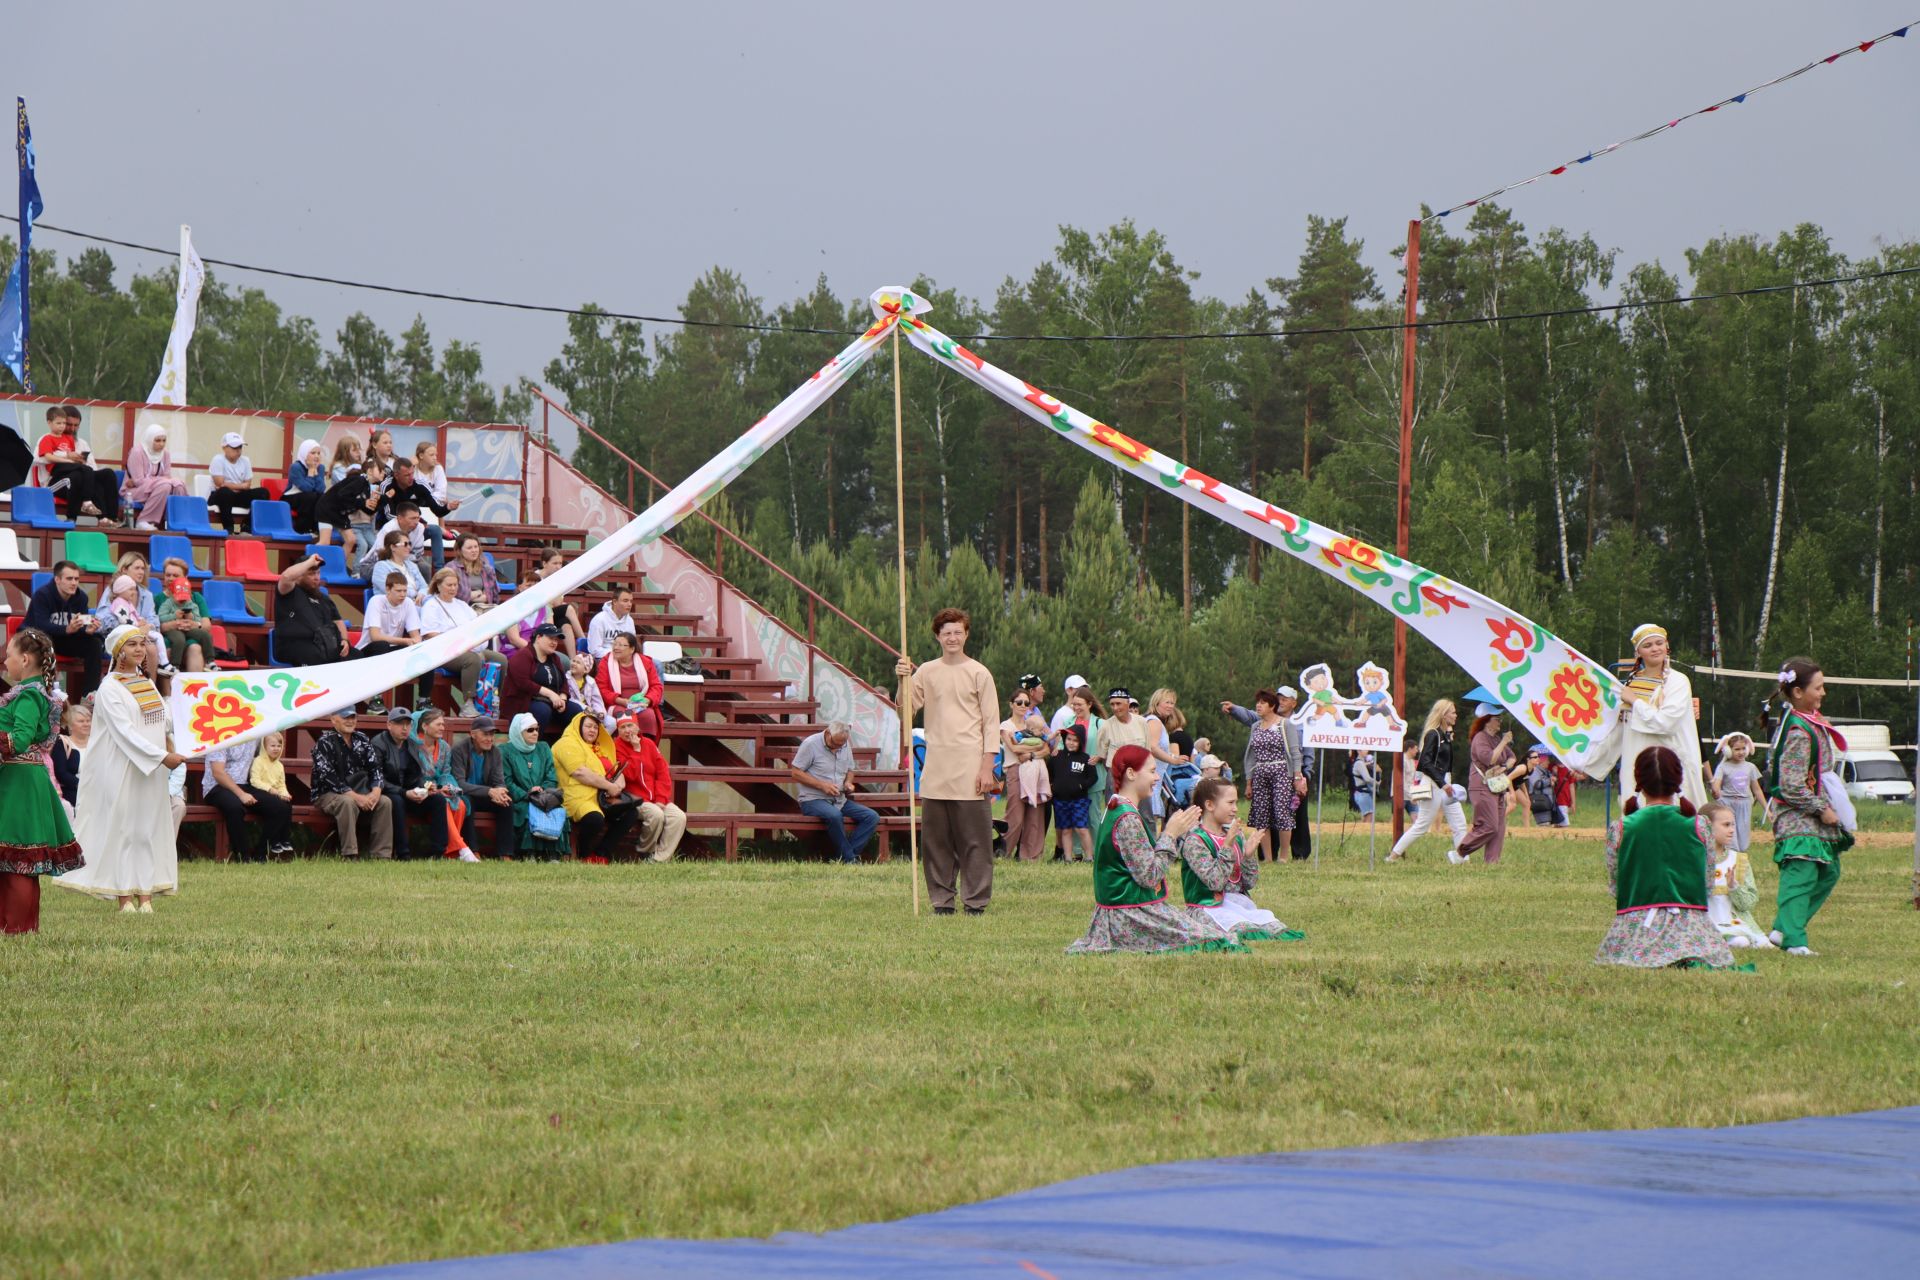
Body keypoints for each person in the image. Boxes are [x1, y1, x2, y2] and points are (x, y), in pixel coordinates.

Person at [54, 627, 187, 911]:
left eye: (143, 644)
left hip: (150, 769)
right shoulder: (110, 687)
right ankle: (124, 896)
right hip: (122, 768)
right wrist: (162, 756)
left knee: (146, 828)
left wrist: (178, 740)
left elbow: (160, 724)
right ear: (119, 651)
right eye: (133, 644)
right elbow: (124, 733)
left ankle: (146, 894)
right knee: (125, 829)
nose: (140, 649)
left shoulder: (147, 683)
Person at [1065, 745, 1244, 955]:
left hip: (1118, 911)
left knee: (1205, 931)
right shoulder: (1127, 818)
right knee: (1217, 938)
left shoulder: (1115, 807)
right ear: (1131, 773)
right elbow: (1149, 877)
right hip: (1130, 915)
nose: (1157, 777)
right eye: (1151, 771)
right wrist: (1170, 834)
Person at [893, 608, 998, 915]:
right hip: (936, 766)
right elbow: (906, 711)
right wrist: (903, 680)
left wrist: (986, 765)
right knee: (936, 842)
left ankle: (976, 901)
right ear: (937, 637)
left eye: (957, 632)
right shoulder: (926, 670)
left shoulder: (980, 673)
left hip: (970, 765)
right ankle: (941, 901)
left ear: (966, 635)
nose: (952, 637)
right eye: (946, 632)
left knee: (975, 841)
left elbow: (992, 723)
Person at [1595, 747, 1735, 970]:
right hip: (1692, 930)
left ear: (1639, 779)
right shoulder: (1699, 826)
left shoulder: (1621, 828)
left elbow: (1617, 884)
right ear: (1678, 780)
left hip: (1635, 930)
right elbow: (1706, 883)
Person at [1765, 657, 1853, 957]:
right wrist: (1820, 808)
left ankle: (1782, 928)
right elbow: (1789, 783)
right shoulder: (1798, 731)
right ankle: (1794, 940)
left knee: (1828, 871)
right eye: (1818, 687)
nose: (1823, 692)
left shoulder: (1809, 721)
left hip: (1813, 811)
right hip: (1797, 815)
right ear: (1799, 693)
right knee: (1801, 872)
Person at [0, 628, 84, 933]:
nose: (5, 661)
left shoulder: (28, 696)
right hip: (19, 779)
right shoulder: (32, 693)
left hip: (20, 782)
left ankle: (19, 928)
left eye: (8, 655)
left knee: (18, 860)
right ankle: (16, 926)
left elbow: (19, 739)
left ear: (23, 659)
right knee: (13, 860)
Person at [1585, 622, 1708, 810]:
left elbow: (1666, 723)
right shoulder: (1631, 684)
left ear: (1667, 646)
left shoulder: (1678, 681)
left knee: (1676, 818)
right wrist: (1587, 761)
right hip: (1637, 761)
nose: (1655, 649)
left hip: (1671, 762)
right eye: (1647, 645)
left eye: (1659, 643)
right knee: (1639, 816)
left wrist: (1635, 702)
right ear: (1638, 652)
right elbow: (1621, 730)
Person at [1176, 777, 1299, 941]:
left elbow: (1248, 883)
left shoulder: (1235, 835)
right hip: (1206, 907)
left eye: (1236, 803)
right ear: (1210, 805)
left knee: (1273, 927)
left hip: (1238, 904)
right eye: (1230, 803)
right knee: (1243, 929)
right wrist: (1226, 847)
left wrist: (1248, 856)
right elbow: (1216, 882)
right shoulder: (1195, 841)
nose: (1235, 809)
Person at [199, 699, 295, 863]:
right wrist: (241, 794)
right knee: (235, 807)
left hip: (244, 784)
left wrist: (273, 788)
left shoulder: (254, 734)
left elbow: (271, 742)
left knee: (280, 806)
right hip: (216, 787)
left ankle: (260, 854)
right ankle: (243, 857)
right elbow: (218, 773)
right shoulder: (220, 735)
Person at [551, 710, 638, 861]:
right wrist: (609, 786)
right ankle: (583, 855)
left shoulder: (599, 748)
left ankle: (601, 854)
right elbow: (579, 772)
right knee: (594, 819)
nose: (592, 730)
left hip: (601, 797)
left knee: (630, 813)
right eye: (588, 726)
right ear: (578, 726)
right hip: (577, 797)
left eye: (596, 727)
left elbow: (616, 770)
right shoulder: (566, 743)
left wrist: (618, 785)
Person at [1389, 699, 1468, 862]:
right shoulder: (1434, 734)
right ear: (1443, 714)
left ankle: (1462, 859)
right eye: (1452, 712)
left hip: (1445, 783)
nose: (1456, 715)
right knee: (1422, 825)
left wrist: (1446, 782)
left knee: (1459, 823)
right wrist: (1442, 783)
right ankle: (1393, 856)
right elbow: (1425, 763)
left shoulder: (1444, 736)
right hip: (1435, 784)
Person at [310, 707, 395, 860]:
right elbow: (329, 778)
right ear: (333, 719)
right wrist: (357, 797)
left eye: (353, 717)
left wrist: (375, 792)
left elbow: (375, 768)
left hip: (360, 790)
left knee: (385, 802)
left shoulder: (362, 739)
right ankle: (350, 854)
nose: (350, 721)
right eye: (345, 717)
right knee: (347, 802)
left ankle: (381, 856)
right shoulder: (324, 742)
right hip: (328, 793)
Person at [789, 721, 879, 864]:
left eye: (840, 745)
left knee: (871, 817)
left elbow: (850, 770)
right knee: (835, 815)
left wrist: (848, 783)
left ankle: (845, 856)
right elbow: (795, 772)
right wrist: (821, 785)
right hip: (813, 799)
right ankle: (850, 859)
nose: (837, 748)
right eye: (835, 744)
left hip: (839, 799)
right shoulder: (810, 744)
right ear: (827, 733)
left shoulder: (844, 744)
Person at [419, 568, 508, 708]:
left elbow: (476, 626)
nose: (453, 588)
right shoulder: (431, 606)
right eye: (449, 585)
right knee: (472, 659)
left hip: (469, 647)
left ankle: (496, 700)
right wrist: (457, 641)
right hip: (444, 651)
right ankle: (469, 703)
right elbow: (430, 634)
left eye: (455, 585)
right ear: (438, 585)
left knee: (500, 659)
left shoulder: (461, 605)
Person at [1456, 703, 1528, 866]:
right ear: (1486, 720)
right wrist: (1504, 742)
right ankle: (1460, 851)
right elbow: (1489, 758)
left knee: (1499, 827)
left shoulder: (1495, 738)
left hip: (1497, 787)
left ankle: (1492, 863)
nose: (1500, 721)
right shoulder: (1480, 738)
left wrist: (1504, 767)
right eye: (1497, 719)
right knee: (1489, 826)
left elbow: (1512, 757)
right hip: (1481, 787)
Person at [373, 705, 447, 860]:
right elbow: (376, 778)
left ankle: (438, 852)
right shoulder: (378, 744)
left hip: (408, 792)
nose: (405, 728)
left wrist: (425, 787)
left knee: (438, 799)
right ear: (389, 725)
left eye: (408, 724)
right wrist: (404, 792)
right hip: (386, 792)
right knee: (397, 801)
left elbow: (416, 775)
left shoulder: (411, 745)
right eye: (400, 724)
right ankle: (403, 853)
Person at [23, 561, 105, 696]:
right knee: (45, 641)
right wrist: (66, 629)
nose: (74, 583)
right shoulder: (42, 595)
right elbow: (41, 625)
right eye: (69, 578)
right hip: (36, 639)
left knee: (94, 643)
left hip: (63, 639)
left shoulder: (81, 598)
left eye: (76, 579)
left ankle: (90, 696)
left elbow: (78, 626)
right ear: (57, 579)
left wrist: (86, 630)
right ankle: (45, 694)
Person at [1700, 800, 1773, 949]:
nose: (1732, 830)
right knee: (1740, 942)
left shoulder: (1738, 860)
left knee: (1751, 942)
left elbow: (1748, 903)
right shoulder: (1694, 860)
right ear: (1706, 827)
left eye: (1733, 824)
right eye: (1726, 825)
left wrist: (1734, 887)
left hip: (1733, 919)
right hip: (1704, 919)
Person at [613, 714, 686, 862]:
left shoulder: (649, 744)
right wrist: (636, 750)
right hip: (634, 799)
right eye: (623, 727)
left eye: (630, 725)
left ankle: (658, 859)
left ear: (637, 726)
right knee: (656, 814)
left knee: (679, 817)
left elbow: (663, 774)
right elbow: (629, 775)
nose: (627, 730)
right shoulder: (616, 746)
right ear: (618, 731)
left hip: (656, 799)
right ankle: (645, 851)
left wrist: (660, 799)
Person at [448, 716, 520, 861]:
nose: (490, 738)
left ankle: (505, 853)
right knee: (466, 802)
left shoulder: (495, 752)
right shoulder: (459, 750)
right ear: (473, 734)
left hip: (486, 794)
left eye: (492, 734)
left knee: (507, 802)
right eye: (485, 734)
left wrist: (501, 792)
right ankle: (473, 851)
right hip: (466, 793)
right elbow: (459, 784)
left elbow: (499, 781)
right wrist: (490, 791)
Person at [1235, 691, 1294, 864]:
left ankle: (1283, 856)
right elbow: (1252, 756)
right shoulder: (1256, 726)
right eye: (1257, 702)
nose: (1258, 705)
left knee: (1282, 813)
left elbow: (1294, 751)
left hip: (1281, 772)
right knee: (1261, 815)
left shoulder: (1285, 724)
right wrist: (1249, 782)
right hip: (1260, 773)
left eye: (1263, 702)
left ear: (1272, 706)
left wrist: (1297, 776)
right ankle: (1267, 858)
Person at [410, 708, 476, 861]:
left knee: (460, 805)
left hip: (439, 789)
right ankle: (462, 849)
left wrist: (447, 787)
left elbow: (446, 772)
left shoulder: (445, 747)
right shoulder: (413, 746)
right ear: (425, 727)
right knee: (444, 804)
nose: (442, 728)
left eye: (443, 724)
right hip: (420, 790)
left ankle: (451, 853)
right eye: (438, 724)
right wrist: (436, 790)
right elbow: (414, 775)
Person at [35, 405, 121, 524]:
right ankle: (80, 514)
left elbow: (92, 469)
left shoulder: (81, 443)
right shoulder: (46, 438)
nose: (72, 429)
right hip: (57, 481)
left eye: (76, 425)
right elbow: (38, 459)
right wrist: (66, 455)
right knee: (79, 476)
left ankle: (111, 518)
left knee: (108, 474)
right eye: (68, 424)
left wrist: (80, 462)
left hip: (80, 477)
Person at [502, 712, 568, 859]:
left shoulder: (543, 748)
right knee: (526, 810)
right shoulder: (505, 751)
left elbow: (551, 776)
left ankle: (552, 854)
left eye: (537, 729)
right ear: (519, 732)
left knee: (556, 810)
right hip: (520, 798)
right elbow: (507, 781)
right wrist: (527, 793)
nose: (535, 733)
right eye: (530, 730)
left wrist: (542, 791)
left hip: (543, 797)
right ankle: (529, 853)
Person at [1000, 689, 1052, 860]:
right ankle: (1003, 852)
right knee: (1015, 815)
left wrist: (1030, 754)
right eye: (1019, 702)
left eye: (1026, 703)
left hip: (1036, 768)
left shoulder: (1034, 723)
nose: (1023, 706)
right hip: (1015, 770)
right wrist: (1037, 747)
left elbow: (1047, 747)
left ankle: (1031, 856)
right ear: (1011, 704)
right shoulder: (1005, 726)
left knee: (1035, 814)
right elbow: (1014, 749)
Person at [273, 555, 351, 666]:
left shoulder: (324, 598)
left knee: (357, 657)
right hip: (297, 646)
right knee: (317, 657)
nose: (316, 577)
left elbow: (338, 621)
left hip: (324, 645)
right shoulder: (289, 591)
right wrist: (310, 562)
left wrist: (344, 640)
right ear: (299, 576)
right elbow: (286, 576)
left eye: (318, 573)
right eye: (311, 574)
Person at [374, 456, 451, 568]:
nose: (411, 478)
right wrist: (412, 523)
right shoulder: (387, 485)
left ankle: (439, 570)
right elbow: (388, 515)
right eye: (407, 475)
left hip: (413, 528)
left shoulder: (420, 485)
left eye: (412, 473)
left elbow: (438, 511)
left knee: (435, 530)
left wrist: (448, 507)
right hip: (390, 531)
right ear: (396, 475)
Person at [500, 624, 577, 736]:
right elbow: (523, 683)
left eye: (556, 639)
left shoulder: (555, 658)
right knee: (542, 711)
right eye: (551, 638)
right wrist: (550, 694)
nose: (554, 642)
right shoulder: (522, 656)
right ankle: (531, 746)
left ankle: (564, 747)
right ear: (538, 638)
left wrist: (563, 699)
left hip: (552, 702)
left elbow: (563, 682)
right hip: (525, 701)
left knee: (576, 711)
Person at [594, 631, 664, 740]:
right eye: (615, 644)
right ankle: (622, 751)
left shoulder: (645, 662)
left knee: (648, 715)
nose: (616, 648)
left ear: (632, 649)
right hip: (617, 703)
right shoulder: (606, 662)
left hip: (641, 703)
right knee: (624, 716)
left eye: (621, 645)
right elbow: (601, 688)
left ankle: (646, 750)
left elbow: (656, 686)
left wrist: (647, 700)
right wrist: (622, 701)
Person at [121, 422, 188, 531]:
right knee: (165, 485)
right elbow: (139, 481)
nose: (161, 444)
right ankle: (143, 520)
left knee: (178, 485)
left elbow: (167, 476)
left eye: (164, 440)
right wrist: (160, 481)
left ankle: (178, 521)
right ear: (149, 439)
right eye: (157, 440)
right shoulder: (137, 452)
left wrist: (160, 481)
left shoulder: (165, 453)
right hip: (133, 491)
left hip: (154, 489)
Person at [315, 457, 384, 560]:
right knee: (324, 541)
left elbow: (366, 510)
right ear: (370, 471)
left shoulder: (367, 486)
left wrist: (380, 502)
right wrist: (363, 502)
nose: (383, 473)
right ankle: (308, 565)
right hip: (327, 508)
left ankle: (337, 567)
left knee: (351, 540)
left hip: (339, 513)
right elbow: (342, 495)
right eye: (380, 470)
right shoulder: (359, 480)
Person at [1047, 723, 1096, 862]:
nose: (1071, 743)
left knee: (1081, 829)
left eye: (1075, 740)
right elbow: (1049, 773)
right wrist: (1052, 786)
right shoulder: (1056, 756)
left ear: (1081, 742)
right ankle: (1067, 858)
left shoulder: (1086, 758)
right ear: (1064, 739)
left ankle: (1089, 858)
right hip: (1060, 800)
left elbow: (1093, 778)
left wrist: (1081, 785)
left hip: (1079, 800)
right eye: (1069, 739)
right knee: (1065, 830)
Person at [207, 431, 272, 534]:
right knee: (225, 492)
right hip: (219, 496)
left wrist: (231, 485)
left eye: (240, 447)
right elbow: (220, 484)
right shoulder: (218, 460)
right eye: (234, 448)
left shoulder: (245, 460)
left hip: (237, 496)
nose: (238, 451)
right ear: (224, 447)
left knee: (264, 492)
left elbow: (248, 484)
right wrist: (241, 486)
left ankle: (246, 527)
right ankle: (229, 528)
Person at [157, 558, 214, 673]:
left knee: (195, 647)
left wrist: (194, 624)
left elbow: (206, 625)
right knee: (167, 648)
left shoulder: (196, 597)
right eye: (168, 575)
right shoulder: (157, 599)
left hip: (192, 638)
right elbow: (155, 626)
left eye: (176, 575)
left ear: (185, 578)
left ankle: (197, 687)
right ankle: (169, 688)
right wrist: (173, 624)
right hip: (169, 639)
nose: (171, 578)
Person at [1711, 732, 1765, 853]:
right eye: (1737, 749)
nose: (1741, 752)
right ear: (1728, 751)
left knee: (1743, 838)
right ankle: (1731, 861)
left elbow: (1756, 789)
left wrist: (1767, 809)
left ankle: (1741, 863)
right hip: (1727, 804)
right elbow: (1716, 785)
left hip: (1744, 804)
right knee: (1731, 837)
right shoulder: (1723, 767)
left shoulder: (1750, 767)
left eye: (1743, 748)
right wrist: (1716, 790)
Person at [248, 731, 296, 856]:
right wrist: (270, 789)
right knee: (278, 808)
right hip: (260, 791)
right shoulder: (258, 761)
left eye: (279, 746)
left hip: (274, 793)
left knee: (287, 806)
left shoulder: (279, 765)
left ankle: (284, 839)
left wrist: (285, 793)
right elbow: (255, 781)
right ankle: (272, 842)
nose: (276, 749)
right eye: (272, 746)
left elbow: (281, 784)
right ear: (265, 746)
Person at [358, 571, 423, 659]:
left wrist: (416, 643)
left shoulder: (408, 602)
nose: (403, 595)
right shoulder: (376, 601)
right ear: (388, 589)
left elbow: (416, 636)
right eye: (398, 591)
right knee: (382, 645)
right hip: (369, 648)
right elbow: (375, 636)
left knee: (417, 652)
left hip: (393, 648)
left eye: (405, 591)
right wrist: (405, 641)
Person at [368, 528, 430, 605]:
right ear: (393, 547)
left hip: (415, 604)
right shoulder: (381, 567)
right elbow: (393, 591)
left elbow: (424, 586)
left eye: (409, 544)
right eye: (405, 544)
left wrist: (421, 594)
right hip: (393, 608)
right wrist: (416, 594)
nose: (409, 547)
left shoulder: (412, 565)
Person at [50, 700, 89, 808]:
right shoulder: (62, 742)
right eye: (81, 721)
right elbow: (60, 772)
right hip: (72, 796)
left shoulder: (96, 742)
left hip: (96, 794)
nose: (86, 724)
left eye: (88, 720)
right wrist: (82, 784)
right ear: (70, 725)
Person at [451, 534, 502, 613]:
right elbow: (454, 596)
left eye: (476, 546)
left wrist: (478, 596)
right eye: (469, 548)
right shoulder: (452, 568)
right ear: (459, 550)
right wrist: (477, 593)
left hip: (484, 609)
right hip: (460, 611)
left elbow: (493, 594)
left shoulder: (486, 567)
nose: (474, 550)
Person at [285, 438, 328, 533]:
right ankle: (302, 529)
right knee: (310, 496)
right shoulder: (295, 467)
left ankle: (316, 528)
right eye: (313, 453)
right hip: (291, 498)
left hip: (308, 497)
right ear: (304, 453)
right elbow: (306, 488)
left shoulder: (320, 467)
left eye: (318, 453)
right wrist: (310, 472)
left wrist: (315, 472)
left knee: (322, 497)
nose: (316, 456)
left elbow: (321, 489)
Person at [586, 585, 639, 659]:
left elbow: (632, 645)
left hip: (625, 658)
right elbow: (594, 650)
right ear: (615, 602)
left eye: (631, 601)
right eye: (625, 601)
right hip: (604, 659)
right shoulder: (599, 620)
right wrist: (617, 653)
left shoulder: (630, 621)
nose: (629, 604)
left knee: (656, 664)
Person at [1525, 746, 1560, 827]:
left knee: (1548, 825)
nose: (1548, 762)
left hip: (1547, 802)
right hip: (1539, 801)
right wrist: (1549, 781)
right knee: (1544, 825)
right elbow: (1537, 784)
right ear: (1542, 761)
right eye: (1547, 760)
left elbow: (1553, 781)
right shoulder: (1534, 770)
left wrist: (1554, 774)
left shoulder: (1546, 771)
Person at [1351, 750, 1378, 829]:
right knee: (1370, 816)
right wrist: (1377, 783)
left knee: (1365, 816)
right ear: (1359, 751)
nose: (1367, 751)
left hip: (1360, 793)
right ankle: (1364, 832)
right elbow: (1367, 779)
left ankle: (1360, 833)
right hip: (1363, 793)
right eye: (1364, 749)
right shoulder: (1359, 763)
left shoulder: (1360, 763)